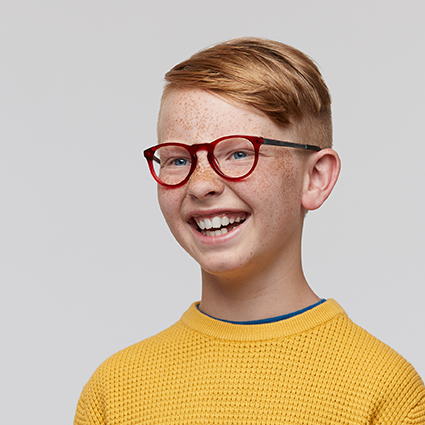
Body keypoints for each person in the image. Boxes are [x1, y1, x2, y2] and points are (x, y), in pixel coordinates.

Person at [74, 37, 425, 424]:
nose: (201, 184)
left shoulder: (384, 391)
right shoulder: (115, 389)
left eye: (239, 153)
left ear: (315, 178)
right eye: (177, 159)